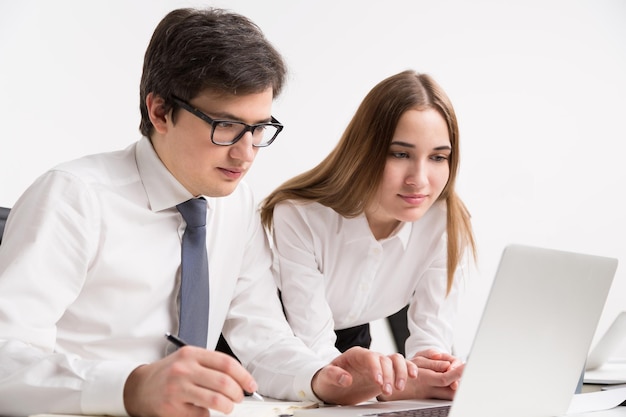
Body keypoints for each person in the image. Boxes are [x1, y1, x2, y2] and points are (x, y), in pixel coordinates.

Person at [0, 9, 418, 417]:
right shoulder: (74, 198)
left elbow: (261, 337)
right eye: (225, 126)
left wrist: (321, 377)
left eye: (258, 128)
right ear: (160, 112)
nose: (246, 152)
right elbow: (5, 358)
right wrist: (131, 387)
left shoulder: (234, 204)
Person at [260, 69, 477, 401]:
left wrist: (436, 377)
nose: (419, 180)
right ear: (366, 149)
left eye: (438, 157)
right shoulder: (300, 216)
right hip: (273, 354)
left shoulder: (445, 222)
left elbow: (431, 342)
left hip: (351, 344)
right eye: (400, 154)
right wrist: (394, 384)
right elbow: (314, 354)